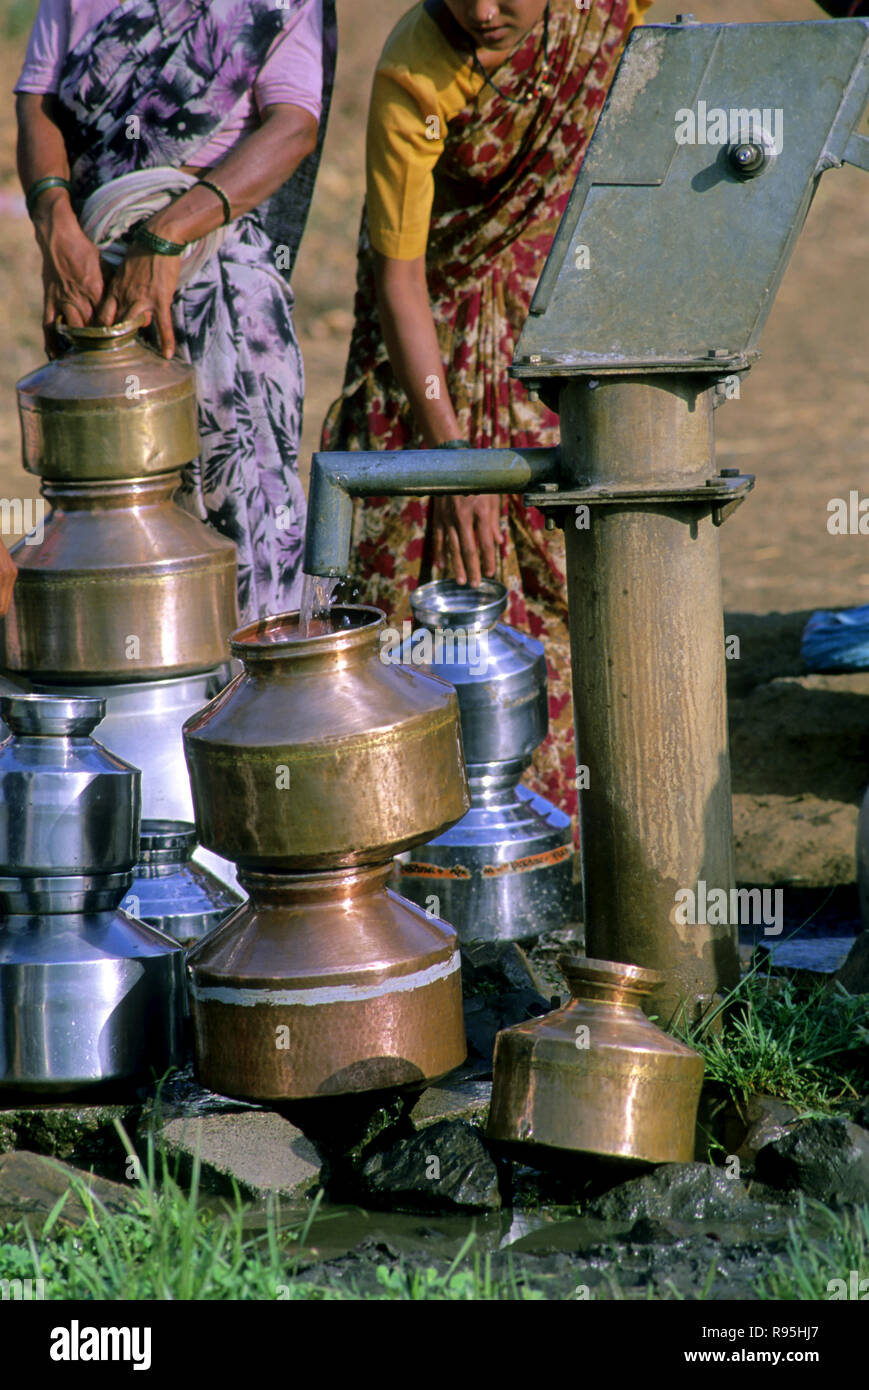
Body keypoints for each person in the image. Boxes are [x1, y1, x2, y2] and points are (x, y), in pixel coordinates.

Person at [322, 0, 651, 824]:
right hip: (428, 356)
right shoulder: (415, 70)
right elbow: (400, 277)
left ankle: (561, 841)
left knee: (567, 583)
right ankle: (412, 847)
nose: (484, 12)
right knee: (425, 609)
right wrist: (451, 459)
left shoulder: (598, 11)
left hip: (555, 341)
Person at [14, 0, 337, 625]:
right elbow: (38, 101)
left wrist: (167, 235)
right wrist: (54, 220)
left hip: (219, 280)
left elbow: (293, 124)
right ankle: (143, 704)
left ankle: (257, 704)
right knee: (111, 519)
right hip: (93, 278)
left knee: (241, 514)